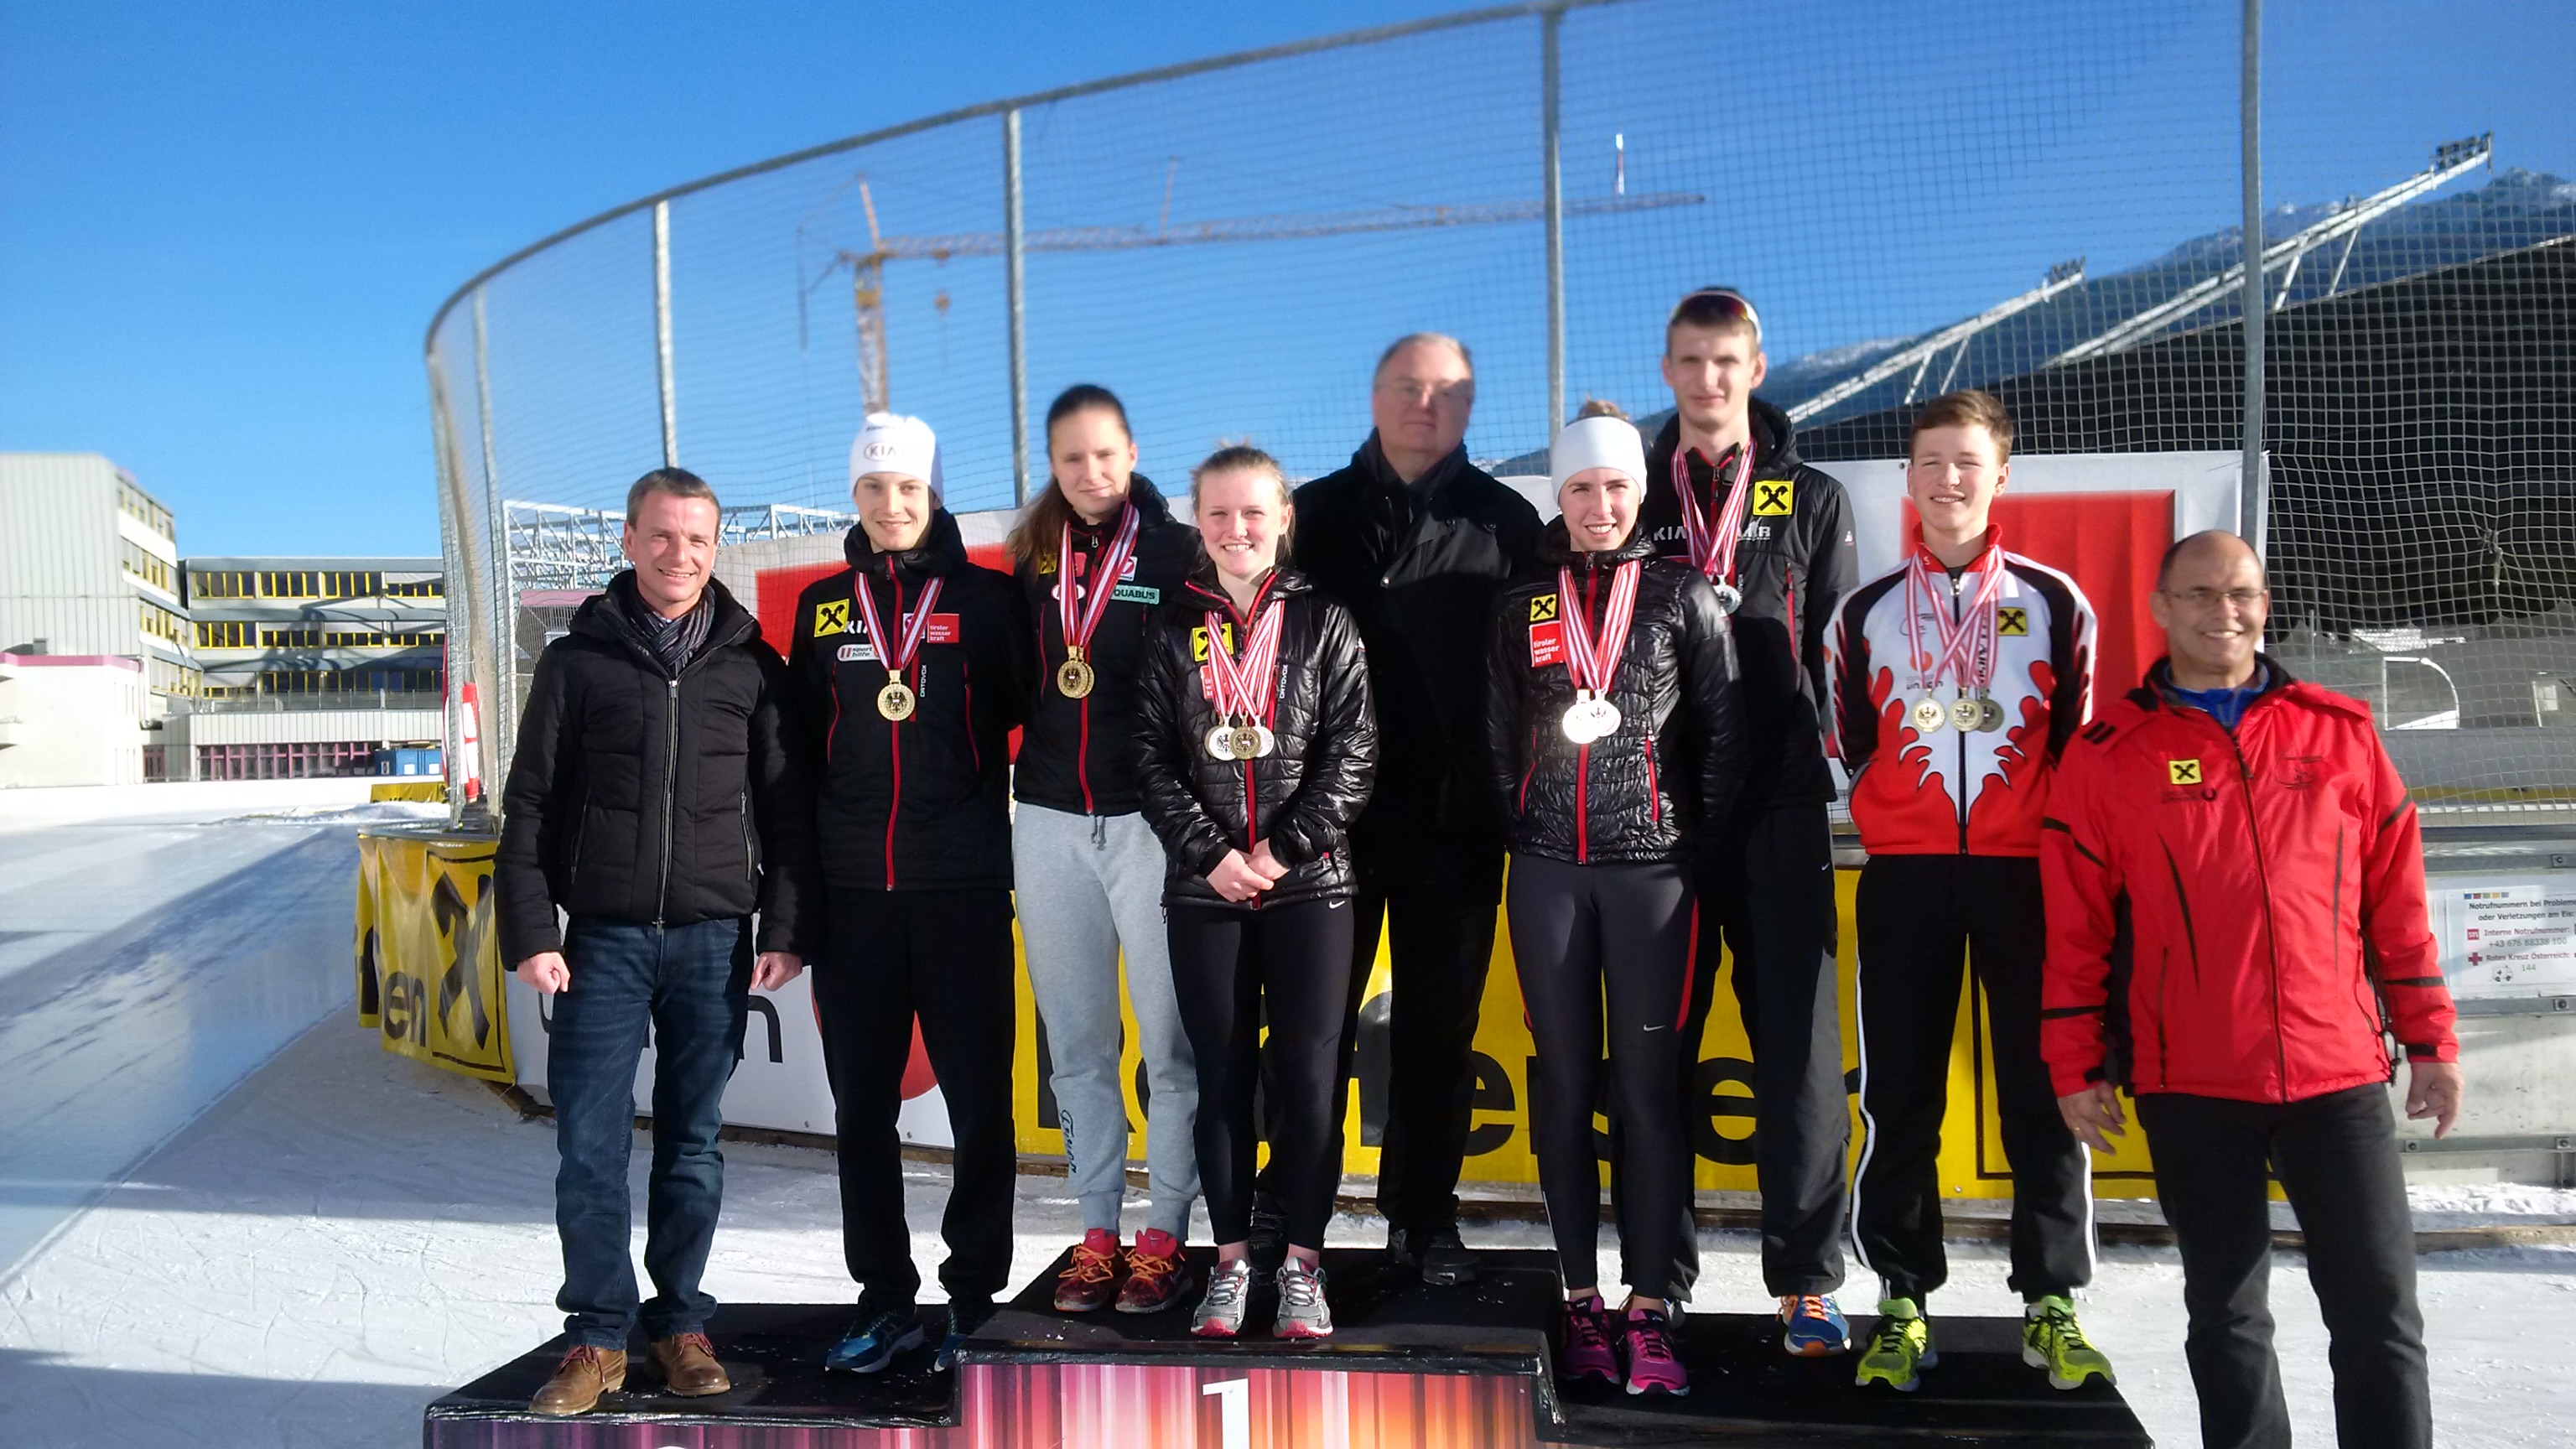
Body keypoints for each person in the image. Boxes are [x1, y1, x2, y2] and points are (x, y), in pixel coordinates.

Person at [2042, 529, 2464, 1449]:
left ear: (2265, 603)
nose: (2221, 612)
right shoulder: (2110, 753)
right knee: (2228, 1320)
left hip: (2338, 1077)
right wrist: (2075, 1060)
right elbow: (2076, 928)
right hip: (2192, 1084)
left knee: (2380, 1319)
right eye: (2197, 595)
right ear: (2159, 609)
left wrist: (2430, 1040)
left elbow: (2399, 908)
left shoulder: (2339, 734)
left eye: (2240, 593)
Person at [495, 467, 820, 1417]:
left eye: (699, 540)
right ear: (631, 540)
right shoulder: (574, 662)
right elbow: (532, 806)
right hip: (601, 941)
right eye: (663, 537)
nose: (680, 556)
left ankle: (679, 1324)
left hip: (715, 939)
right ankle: (597, 1338)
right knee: (590, 1144)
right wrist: (530, 929)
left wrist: (786, 926)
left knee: (693, 1143)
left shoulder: (754, 666)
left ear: (715, 549)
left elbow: (786, 809)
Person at [1823, 390, 2109, 1393]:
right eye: (1932, 461)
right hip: (1903, 878)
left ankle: (2052, 1302)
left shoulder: (2056, 600)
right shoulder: (1863, 613)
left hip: (2028, 879)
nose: (1949, 479)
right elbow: (1845, 741)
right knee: (1901, 1095)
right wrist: (1895, 810)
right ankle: (1902, 1299)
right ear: (1908, 478)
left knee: (2043, 1092)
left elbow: (2075, 742)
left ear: (2001, 477)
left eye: (1969, 463)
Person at [1484, 405, 1747, 1397]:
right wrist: (1524, 819)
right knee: (1562, 1085)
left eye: (1616, 488)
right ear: (1559, 496)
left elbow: (1723, 736)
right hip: (1549, 870)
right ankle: (1579, 1295)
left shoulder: (1685, 596)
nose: (1599, 506)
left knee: (1647, 1092)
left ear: (1642, 493)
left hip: (1652, 875)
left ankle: (1651, 1303)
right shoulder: (1520, 604)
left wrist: (1692, 849)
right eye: (1580, 488)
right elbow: (1496, 732)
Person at [1632, 287, 1857, 1350]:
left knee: (1798, 1055)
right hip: (1662, 810)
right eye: (1690, 361)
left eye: (1727, 362)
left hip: (1778, 806)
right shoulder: (1633, 496)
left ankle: (1808, 1276)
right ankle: (1656, 1276)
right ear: (1668, 370)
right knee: (1657, 1049)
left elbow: (1841, 662)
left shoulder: (1811, 497)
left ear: (1755, 371)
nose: (1709, 379)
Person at [785, 413, 1034, 1375]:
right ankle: (884, 1297)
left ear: (934, 496)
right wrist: (798, 903)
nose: (892, 506)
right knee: (862, 1116)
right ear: (854, 499)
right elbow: (800, 757)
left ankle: (972, 1299)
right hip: (854, 898)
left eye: (909, 490)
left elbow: (1027, 718)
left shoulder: (988, 599)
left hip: (962, 887)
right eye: (874, 489)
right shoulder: (822, 609)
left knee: (980, 1109)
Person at [1291, 333, 1541, 1284]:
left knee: (1441, 1030)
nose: (1424, 406)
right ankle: (1294, 1213)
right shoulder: (1310, 517)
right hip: (1327, 826)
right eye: (1406, 387)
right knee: (1312, 1033)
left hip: (1458, 821)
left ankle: (1423, 1218)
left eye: (1446, 392)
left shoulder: (1510, 522)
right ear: (1374, 394)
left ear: (1471, 405)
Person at [1132, 444, 1377, 1340]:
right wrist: (1211, 855)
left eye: (1253, 512)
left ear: (1283, 518)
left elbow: (1354, 760)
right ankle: (1230, 1266)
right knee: (1222, 1077)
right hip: (1205, 892)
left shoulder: (1327, 624)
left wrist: (1275, 850)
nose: (1237, 530)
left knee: (1311, 1080)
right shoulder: (1169, 631)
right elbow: (1151, 761)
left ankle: (1305, 1266)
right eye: (1220, 514)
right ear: (1200, 524)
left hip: (1311, 884)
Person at [1008, 384, 1202, 1315]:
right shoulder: (1031, 559)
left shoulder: (1174, 550)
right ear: (1053, 465)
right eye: (1070, 459)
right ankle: (1095, 1232)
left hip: (1149, 824)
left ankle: (1162, 1231)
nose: (1089, 473)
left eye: (1104, 455)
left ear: (1131, 453)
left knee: (1169, 1045)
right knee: (1078, 1044)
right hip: (1047, 821)